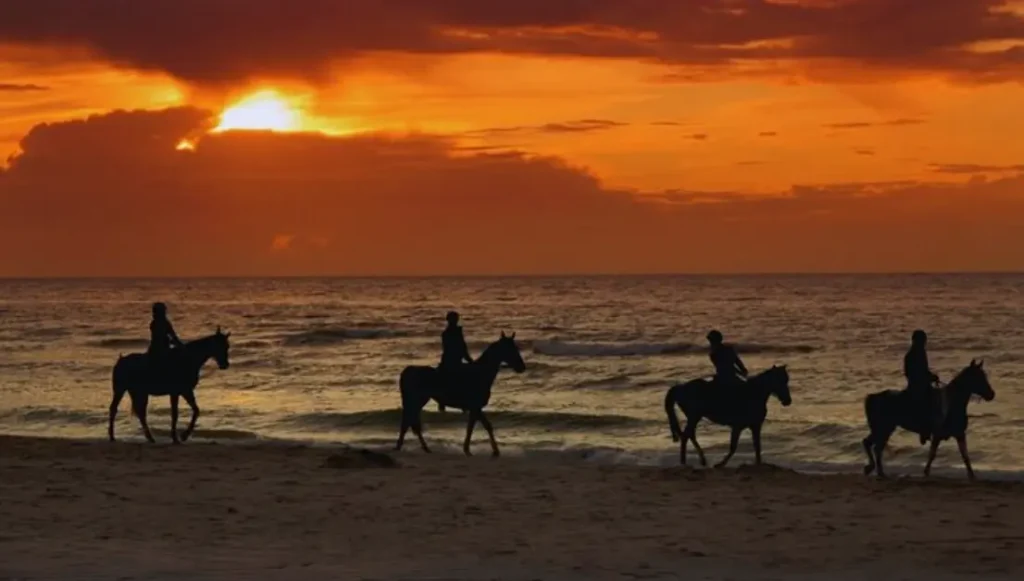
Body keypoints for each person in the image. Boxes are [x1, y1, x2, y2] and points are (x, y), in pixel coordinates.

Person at [904, 329, 940, 444]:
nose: (924, 343)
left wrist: (932, 377)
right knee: (927, 403)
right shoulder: (911, 355)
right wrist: (927, 379)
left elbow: (925, 371)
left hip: (923, 384)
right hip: (916, 386)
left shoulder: (921, 352)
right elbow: (913, 374)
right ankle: (924, 431)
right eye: (922, 341)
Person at [436, 311, 474, 412]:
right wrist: (469, 360)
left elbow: (462, 348)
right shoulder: (449, 333)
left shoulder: (451, 332)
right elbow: (459, 348)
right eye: (454, 319)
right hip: (451, 361)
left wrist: (469, 360)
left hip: (453, 360)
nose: (455, 321)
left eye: (455, 319)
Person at [148, 302, 184, 376]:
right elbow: (171, 336)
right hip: (162, 349)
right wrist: (179, 345)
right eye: (163, 311)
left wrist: (173, 342)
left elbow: (169, 337)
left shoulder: (154, 323)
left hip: (154, 348)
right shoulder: (163, 323)